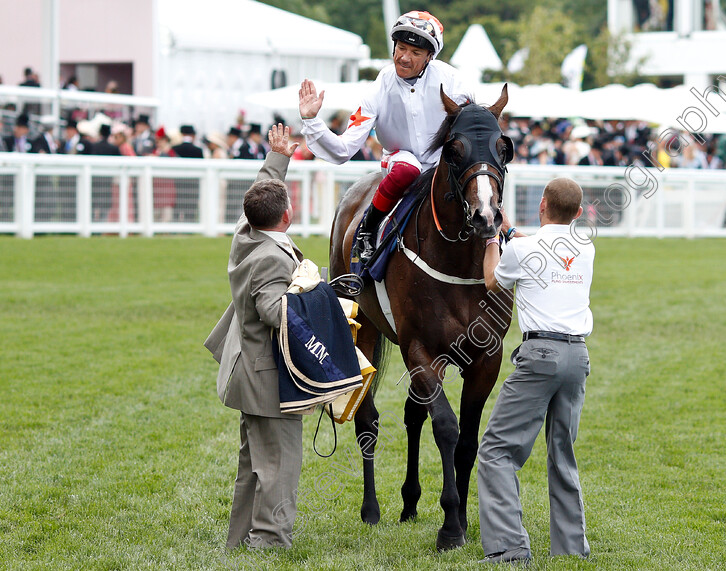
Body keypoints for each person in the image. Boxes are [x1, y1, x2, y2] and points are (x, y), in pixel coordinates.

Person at [477, 177, 595, 564]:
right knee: (563, 452)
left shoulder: (523, 249)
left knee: (496, 450)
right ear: (578, 213)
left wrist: (493, 239)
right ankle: (571, 547)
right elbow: (544, 246)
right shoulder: (586, 247)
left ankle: (510, 550)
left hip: (539, 354)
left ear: (541, 203)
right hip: (577, 357)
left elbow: (493, 280)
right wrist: (511, 231)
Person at [298, 10, 471, 265]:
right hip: (401, 159)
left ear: (429, 57)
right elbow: (344, 149)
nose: (404, 58)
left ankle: (496, 237)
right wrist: (312, 121)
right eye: (401, 48)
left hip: (443, 161)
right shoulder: (378, 88)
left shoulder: (455, 83)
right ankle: (368, 229)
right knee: (407, 169)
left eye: (415, 53)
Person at [204, 124, 304, 550]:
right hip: (266, 375)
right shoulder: (269, 258)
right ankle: (270, 540)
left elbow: (260, 195)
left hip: (245, 367)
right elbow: (272, 309)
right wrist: (322, 306)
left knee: (254, 461)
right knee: (279, 461)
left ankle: (242, 536)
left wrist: (276, 159)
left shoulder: (247, 234)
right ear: (287, 215)